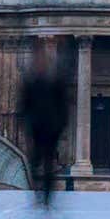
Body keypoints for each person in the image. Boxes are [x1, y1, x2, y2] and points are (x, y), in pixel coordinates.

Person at [17, 52, 73, 208]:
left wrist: (61, 125)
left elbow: (63, 106)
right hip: (36, 128)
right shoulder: (31, 82)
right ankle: (38, 191)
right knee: (35, 160)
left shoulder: (55, 83)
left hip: (51, 128)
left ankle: (47, 195)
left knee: (49, 161)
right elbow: (24, 105)